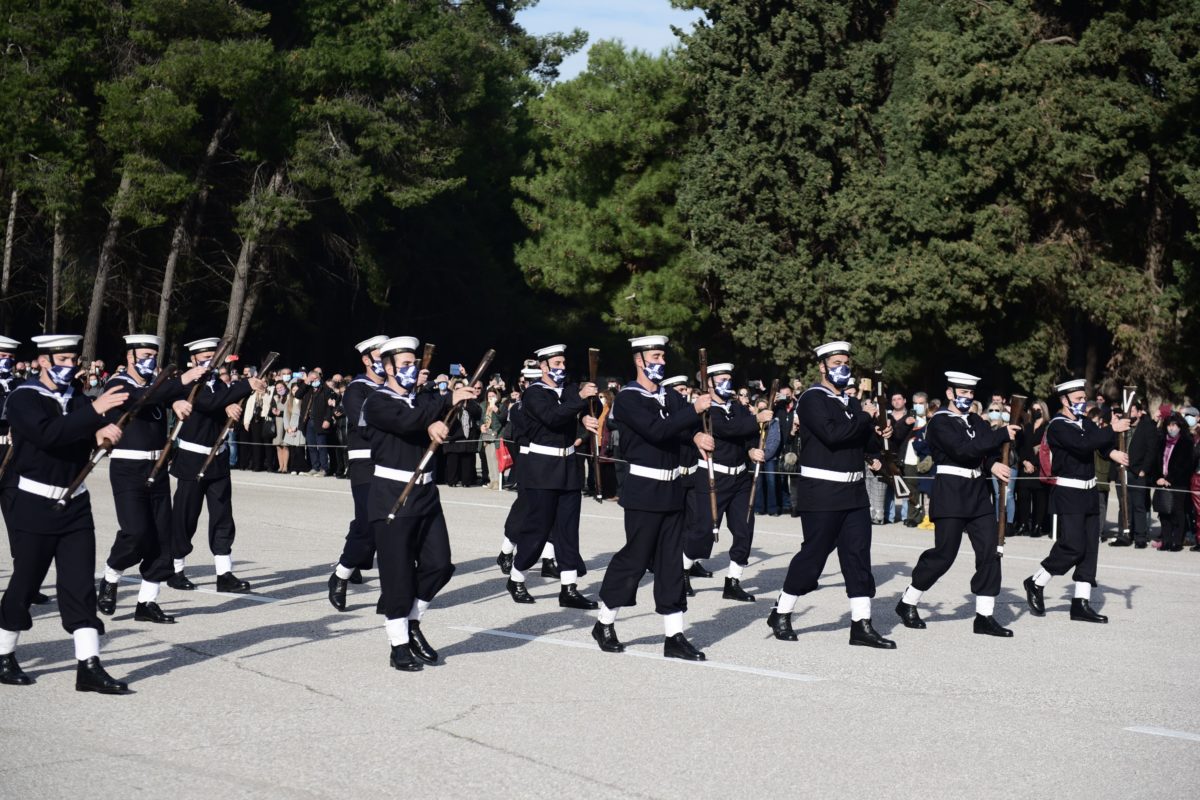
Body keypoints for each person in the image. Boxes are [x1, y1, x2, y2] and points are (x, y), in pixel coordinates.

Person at [0, 334, 131, 692]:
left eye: (73, 360)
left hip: (75, 504)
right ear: (42, 361)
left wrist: (100, 433)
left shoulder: (74, 398)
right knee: (25, 583)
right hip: (33, 504)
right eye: (60, 360)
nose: (68, 367)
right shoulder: (24, 397)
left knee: (78, 585)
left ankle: (88, 666)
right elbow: (49, 435)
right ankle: (4, 653)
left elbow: (78, 436)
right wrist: (95, 413)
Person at [766, 340, 895, 648]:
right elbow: (834, 435)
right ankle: (782, 611)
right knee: (814, 556)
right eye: (836, 363)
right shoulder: (812, 399)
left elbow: (861, 444)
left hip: (853, 491)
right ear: (822, 367)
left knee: (858, 555)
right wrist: (865, 418)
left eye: (846, 363)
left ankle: (861, 624)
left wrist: (878, 440)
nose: (842, 368)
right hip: (822, 491)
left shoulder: (850, 403)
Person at [592, 335, 711, 660]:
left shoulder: (669, 396)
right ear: (639, 361)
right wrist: (694, 412)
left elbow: (679, 430)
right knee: (636, 558)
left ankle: (674, 635)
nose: (660, 361)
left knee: (671, 563)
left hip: (672, 489)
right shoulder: (629, 398)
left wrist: (697, 434)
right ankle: (604, 622)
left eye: (662, 355)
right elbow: (657, 431)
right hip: (644, 491)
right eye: (654, 356)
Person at [362, 336, 476, 671]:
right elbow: (408, 422)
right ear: (388, 367)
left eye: (414, 363)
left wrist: (452, 404)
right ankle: (398, 644)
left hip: (426, 493)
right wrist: (444, 402)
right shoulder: (377, 402)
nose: (412, 369)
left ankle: (412, 621)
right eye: (406, 364)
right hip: (391, 495)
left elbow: (427, 415)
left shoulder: (423, 400)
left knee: (440, 565)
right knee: (398, 575)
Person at [894, 372, 1020, 637]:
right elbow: (963, 450)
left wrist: (993, 463)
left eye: (970, 394)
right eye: (961, 393)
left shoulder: (975, 420)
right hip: (951, 492)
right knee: (944, 555)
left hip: (977, 494)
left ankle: (984, 616)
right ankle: (908, 600)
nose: (966, 398)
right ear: (950, 393)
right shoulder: (940, 421)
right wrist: (999, 435)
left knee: (990, 551)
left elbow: (982, 453)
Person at [96, 335, 207, 623]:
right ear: (130, 356)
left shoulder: (156, 385)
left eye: (153, 356)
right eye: (144, 355)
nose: (149, 361)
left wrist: (180, 400)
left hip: (157, 468)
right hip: (128, 468)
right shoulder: (118, 384)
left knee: (161, 537)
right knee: (135, 532)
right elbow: (141, 400)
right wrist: (182, 383)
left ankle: (147, 602)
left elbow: (166, 395)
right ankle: (111, 574)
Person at [1023, 379, 1129, 623]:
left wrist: (1113, 451)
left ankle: (1081, 603)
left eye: (1084, 398)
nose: (1083, 403)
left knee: (1090, 549)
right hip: (1069, 493)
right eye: (1078, 399)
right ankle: (1036, 582)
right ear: (1064, 401)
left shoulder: (1083, 422)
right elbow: (1083, 446)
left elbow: (1099, 444)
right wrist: (1111, 430)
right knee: (1072, 546)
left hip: (1089, 491)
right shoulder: (1059, 426)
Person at [503, 345, 600, 609]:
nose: (561, 368)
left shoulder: (568, 389)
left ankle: (568, 588)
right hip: (541, 467)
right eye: (555, 363)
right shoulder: (534, 394)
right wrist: (580, 400)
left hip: (568, 465)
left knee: (568, 531)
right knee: (538, 528)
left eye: (563, 363)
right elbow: (554, 417)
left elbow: (591, 407)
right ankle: (517, 576)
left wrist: (590, 403)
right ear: (543, 367)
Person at [167, 338, 266, 592]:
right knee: (185, 517)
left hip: (217, 458)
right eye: (205, 357)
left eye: (214, 355)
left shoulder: (218, 384)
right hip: (192, 459)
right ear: (193, 361)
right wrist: (244, 386)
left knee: (222, 517)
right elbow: (209, 403)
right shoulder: (188, 385)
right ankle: (175, 569)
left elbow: (219, 401)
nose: (211, 360)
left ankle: (224, 573)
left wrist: (230, 405)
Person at [683, 362, 769, 603]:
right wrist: (758, 419)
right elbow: (727, 429)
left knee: (744, 527)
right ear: (708, 383)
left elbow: (745, 436)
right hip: (714, 475)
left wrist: (752, 450)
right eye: (720, 379)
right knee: (704, 530)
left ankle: (733, 580)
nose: (726, 383)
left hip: (740, 476)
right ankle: (682, 571)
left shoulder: (738, 408)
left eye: (728, 378)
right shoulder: (706, 409)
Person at [327, 336, 389, 611]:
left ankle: (391, 589)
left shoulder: (394, 387)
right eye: (379, 355)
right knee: (367, 524)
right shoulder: (357, 389)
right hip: (365, 463)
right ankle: (341, 574)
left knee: (391, 527)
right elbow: (365, 425)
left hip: (391, 463)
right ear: (366, 360)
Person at [495, 368, 543, 574]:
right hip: (529, 457)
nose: (532, 385)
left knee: (551, 509)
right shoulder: (518, 408)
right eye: (528, 382)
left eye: (536, 381)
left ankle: (549, 558)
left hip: (552, 460)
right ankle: (507, 550)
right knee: (525, 507)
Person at [1111, 399, 1156, 548]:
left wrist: (1144, 470)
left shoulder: (1147, 426)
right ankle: (1123, 535)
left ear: (1138, 412)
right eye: (1127, 410)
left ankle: (1140, 537)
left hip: (1138, 472)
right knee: (1124, 505)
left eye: (1131, 410)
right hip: (1122, 471)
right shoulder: (1123, 427)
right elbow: (1112, 444)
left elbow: (1151, 451)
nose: (1129, 413)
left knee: (1139, 505)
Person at [1151, 413, 1193, 552]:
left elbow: (1185, 465)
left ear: (1180, 426)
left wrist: (1170, 479)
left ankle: (1177, 541)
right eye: (1169, 425)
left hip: (1178, 483)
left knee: (1177, 511)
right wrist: (1158, 477)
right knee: (1164, 511)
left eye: (1174, 425)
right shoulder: (1161, 440)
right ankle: (1166, 541)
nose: (1171, 428)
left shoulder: (1186, 442)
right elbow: (1156, 461)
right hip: (1161, 481)